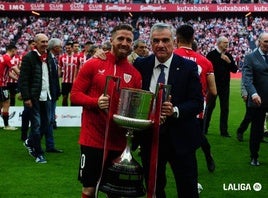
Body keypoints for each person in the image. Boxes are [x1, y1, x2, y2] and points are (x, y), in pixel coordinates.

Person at [70, 24, 142, 198]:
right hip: (93, 139)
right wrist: (96, 102)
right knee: (89, 189)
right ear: (111, 40)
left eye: (128, 40)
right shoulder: (93, 64)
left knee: (115, 191)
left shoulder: (135, 74)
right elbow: (75, 95)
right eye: (120, 39)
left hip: (119, 142)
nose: (124, 43)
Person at [134, 22, 203, 198]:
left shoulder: (188, 66)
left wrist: (176, 110)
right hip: (150, 138)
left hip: (181, 137)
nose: (160, 45)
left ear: (174, 41)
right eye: (156, 41)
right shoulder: (141, 65)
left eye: (165, 40)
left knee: (187, 187)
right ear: (150, 43)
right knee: (154, 187)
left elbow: (197, 102)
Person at [174, 24, 217, 172]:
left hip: (173, 105)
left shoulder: (170, 56)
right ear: (193, 38)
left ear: (176, 39)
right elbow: (214, 91)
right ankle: (207, 155)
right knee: (196, 136)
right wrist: (205, 103)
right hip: (197, 107)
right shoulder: (205, 61)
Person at [20, 33, 52, 163]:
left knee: (46, 124)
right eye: (42, 42)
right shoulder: (29, 58)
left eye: (46, 41)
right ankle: (38, 153)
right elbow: (24, 79)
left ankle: (29, 142)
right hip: (34, 97)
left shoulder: (48, 56)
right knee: (36, 126)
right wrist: (27, 98)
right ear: (36, 43)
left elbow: (50, 76)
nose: (45, 44)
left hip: (47, 95)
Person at [204, 36, 238, 137]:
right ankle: (204, 128)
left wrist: (229, 61)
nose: (227, 45)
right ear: (219, 43)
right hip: (213, 86)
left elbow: (235, 70)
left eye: (227, 43)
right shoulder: (211, 55)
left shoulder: (228, 55)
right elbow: (207, 70)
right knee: (209, 107)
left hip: (224, 87)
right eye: (225, 43)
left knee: (225, 108)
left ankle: (224, 131)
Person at [243, 32, 268, 166]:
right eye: (265, 41)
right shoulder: (250, 57)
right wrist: (253, 94)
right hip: (258, 100)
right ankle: (254, 156)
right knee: (257, 130)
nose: (267, 44)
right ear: (259, 41)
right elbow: (247, 78)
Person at [45, 38, 63, 153]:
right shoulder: (49, 59)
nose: (61, 49)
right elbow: (50, 79)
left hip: (52, 94)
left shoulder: (53, 59)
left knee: (49, 120)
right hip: (49, 95)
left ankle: (49, 145)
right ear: (54, 47)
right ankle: (47, 145)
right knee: (48, 120)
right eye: (59, 46)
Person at [0, 44, 20, 130]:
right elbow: (16, 70)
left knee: (0, 104)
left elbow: (8, 73)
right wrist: (25, 77)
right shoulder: (8, 58)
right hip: (1, 84)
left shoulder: (3, 57)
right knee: (7, 102)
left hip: (1, 84)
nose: (16, 53)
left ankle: (6, 125)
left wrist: (17, 79)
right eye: (16, 51)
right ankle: (7, 125)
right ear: (13, 50)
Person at [19, 39, 35, 141]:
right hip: (28, 90)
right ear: (29, 45)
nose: (34, 46)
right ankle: (24, 133)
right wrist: (22, 91)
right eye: (33, 44)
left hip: (36, 90)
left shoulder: (39, 56)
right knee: (27, 112)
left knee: (34, 113)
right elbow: (23, 76)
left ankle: (33, 134)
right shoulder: (25, 56)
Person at [59, 42, 80, 106]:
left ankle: (72, 112)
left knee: (73, 98)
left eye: (69, 48)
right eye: (66, 48)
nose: (68, 49)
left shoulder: (77, 57)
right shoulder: (62, 57)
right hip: (65, 81)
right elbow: (60, 67)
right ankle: (64, 112)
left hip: (74, 81)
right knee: (64, 97)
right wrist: (59, 75)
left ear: (72, 48)